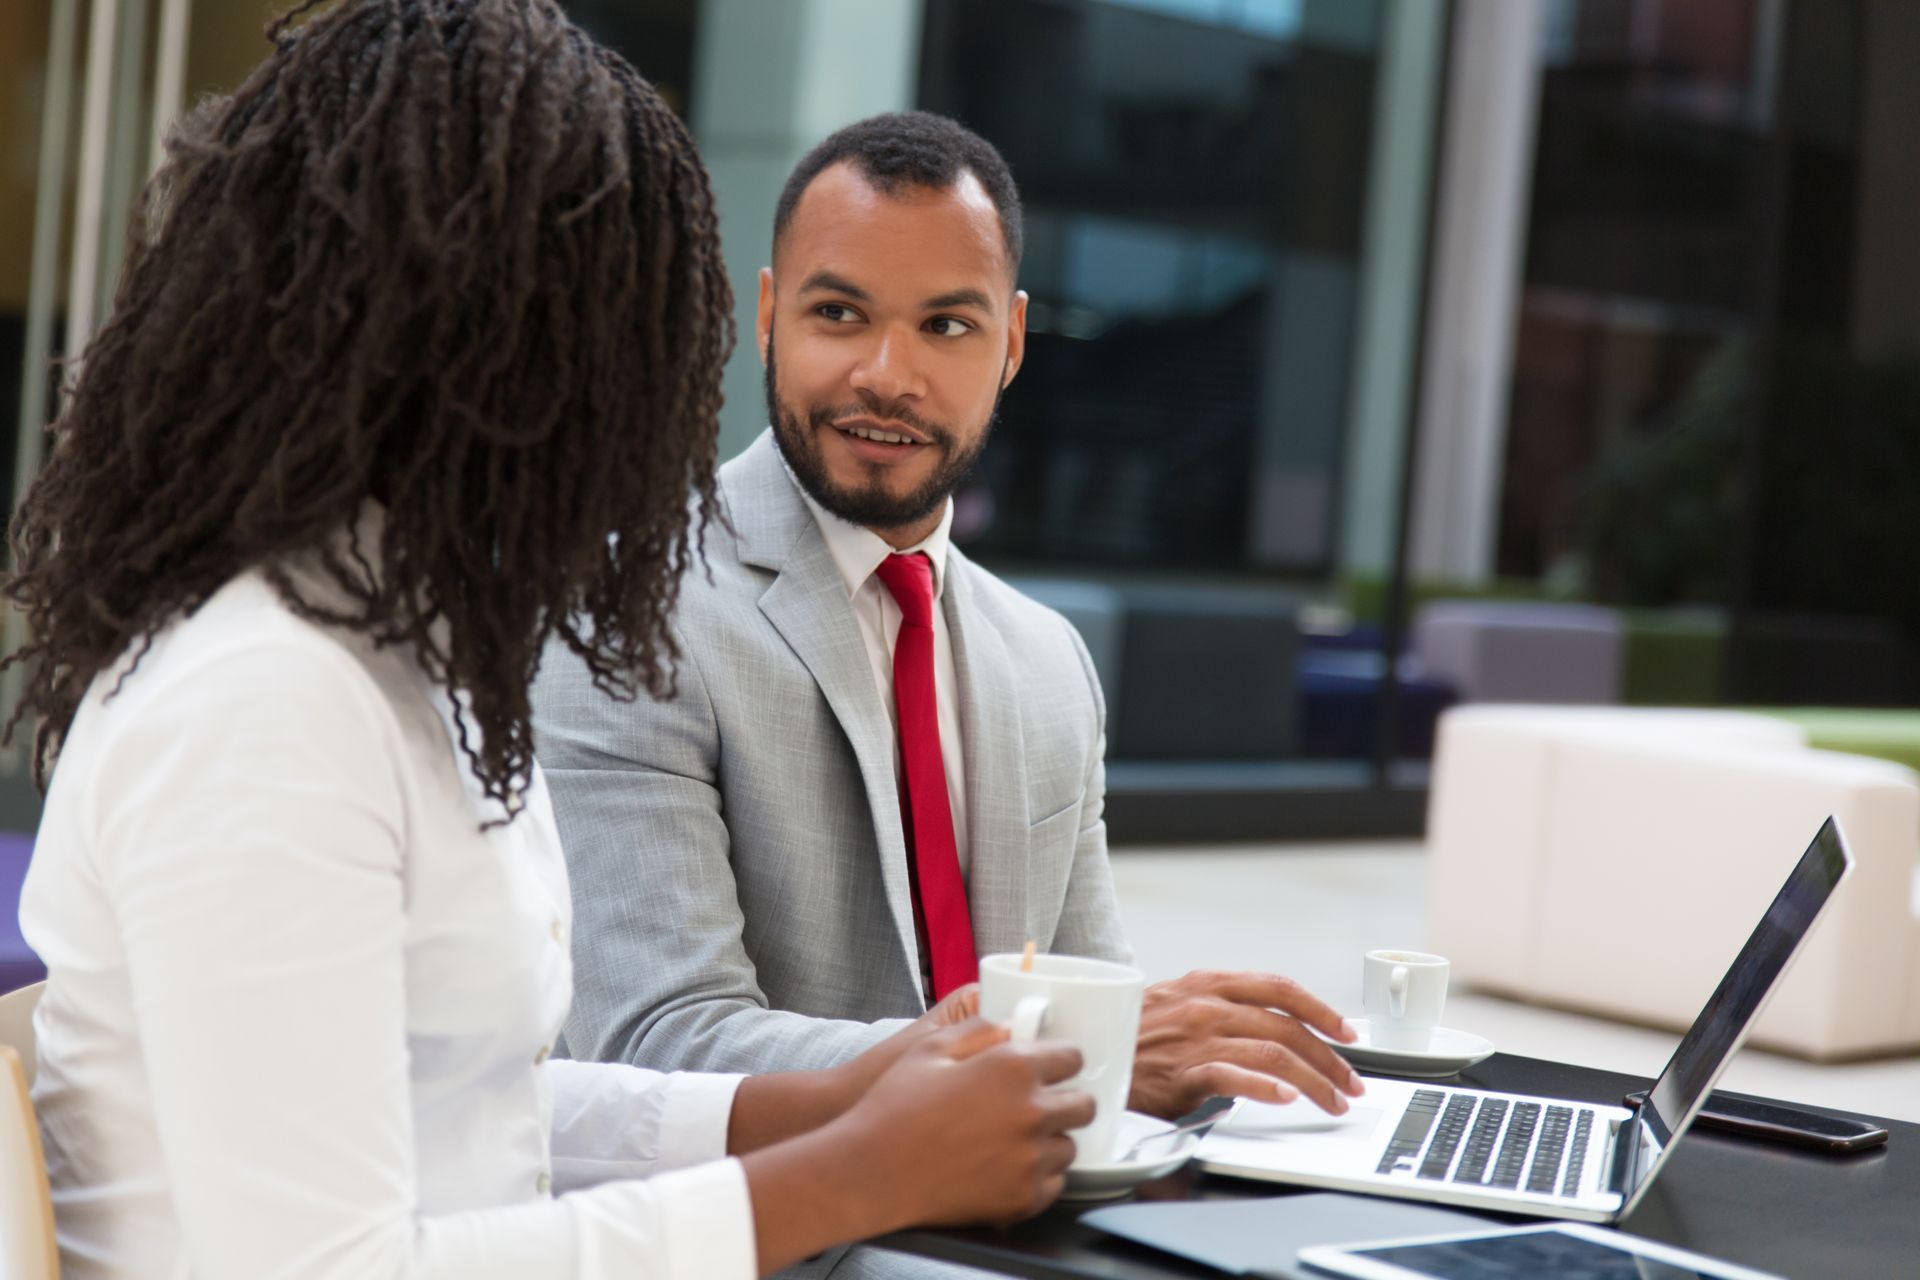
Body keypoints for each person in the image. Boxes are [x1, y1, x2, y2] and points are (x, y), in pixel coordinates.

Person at [4, 7, 1093, 1278]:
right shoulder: (268, 697)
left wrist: (848, 1093)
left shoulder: (410, 659)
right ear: (487, 358)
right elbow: (328, 1266)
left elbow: (487, 1110)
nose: (649, 409)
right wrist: (848, 1174)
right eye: (621, 343)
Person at [533, 113, 1368, 1143]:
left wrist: (1219, 1069)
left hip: (1027, 1211)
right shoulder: (625, 611)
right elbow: (660, 1043)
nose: (888, 373)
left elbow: (1106, 1019)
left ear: (1012, 342)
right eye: (840, 312)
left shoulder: (1047, 660)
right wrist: (1061, 1045)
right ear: (766, 316)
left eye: (947, 325)